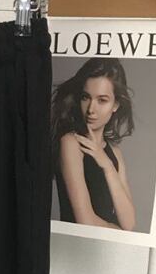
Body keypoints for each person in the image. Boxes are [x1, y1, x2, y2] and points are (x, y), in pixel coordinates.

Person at [51, 57, 136, 230]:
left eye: (102, 100)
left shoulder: (114, 152)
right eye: (86, 97)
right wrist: (118, 232)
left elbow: (129, 224)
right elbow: (85, 221)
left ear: (115, 105)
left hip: (108, 245)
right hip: (78, 244)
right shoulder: (71, 143)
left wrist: (106, 165)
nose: (91, 109)